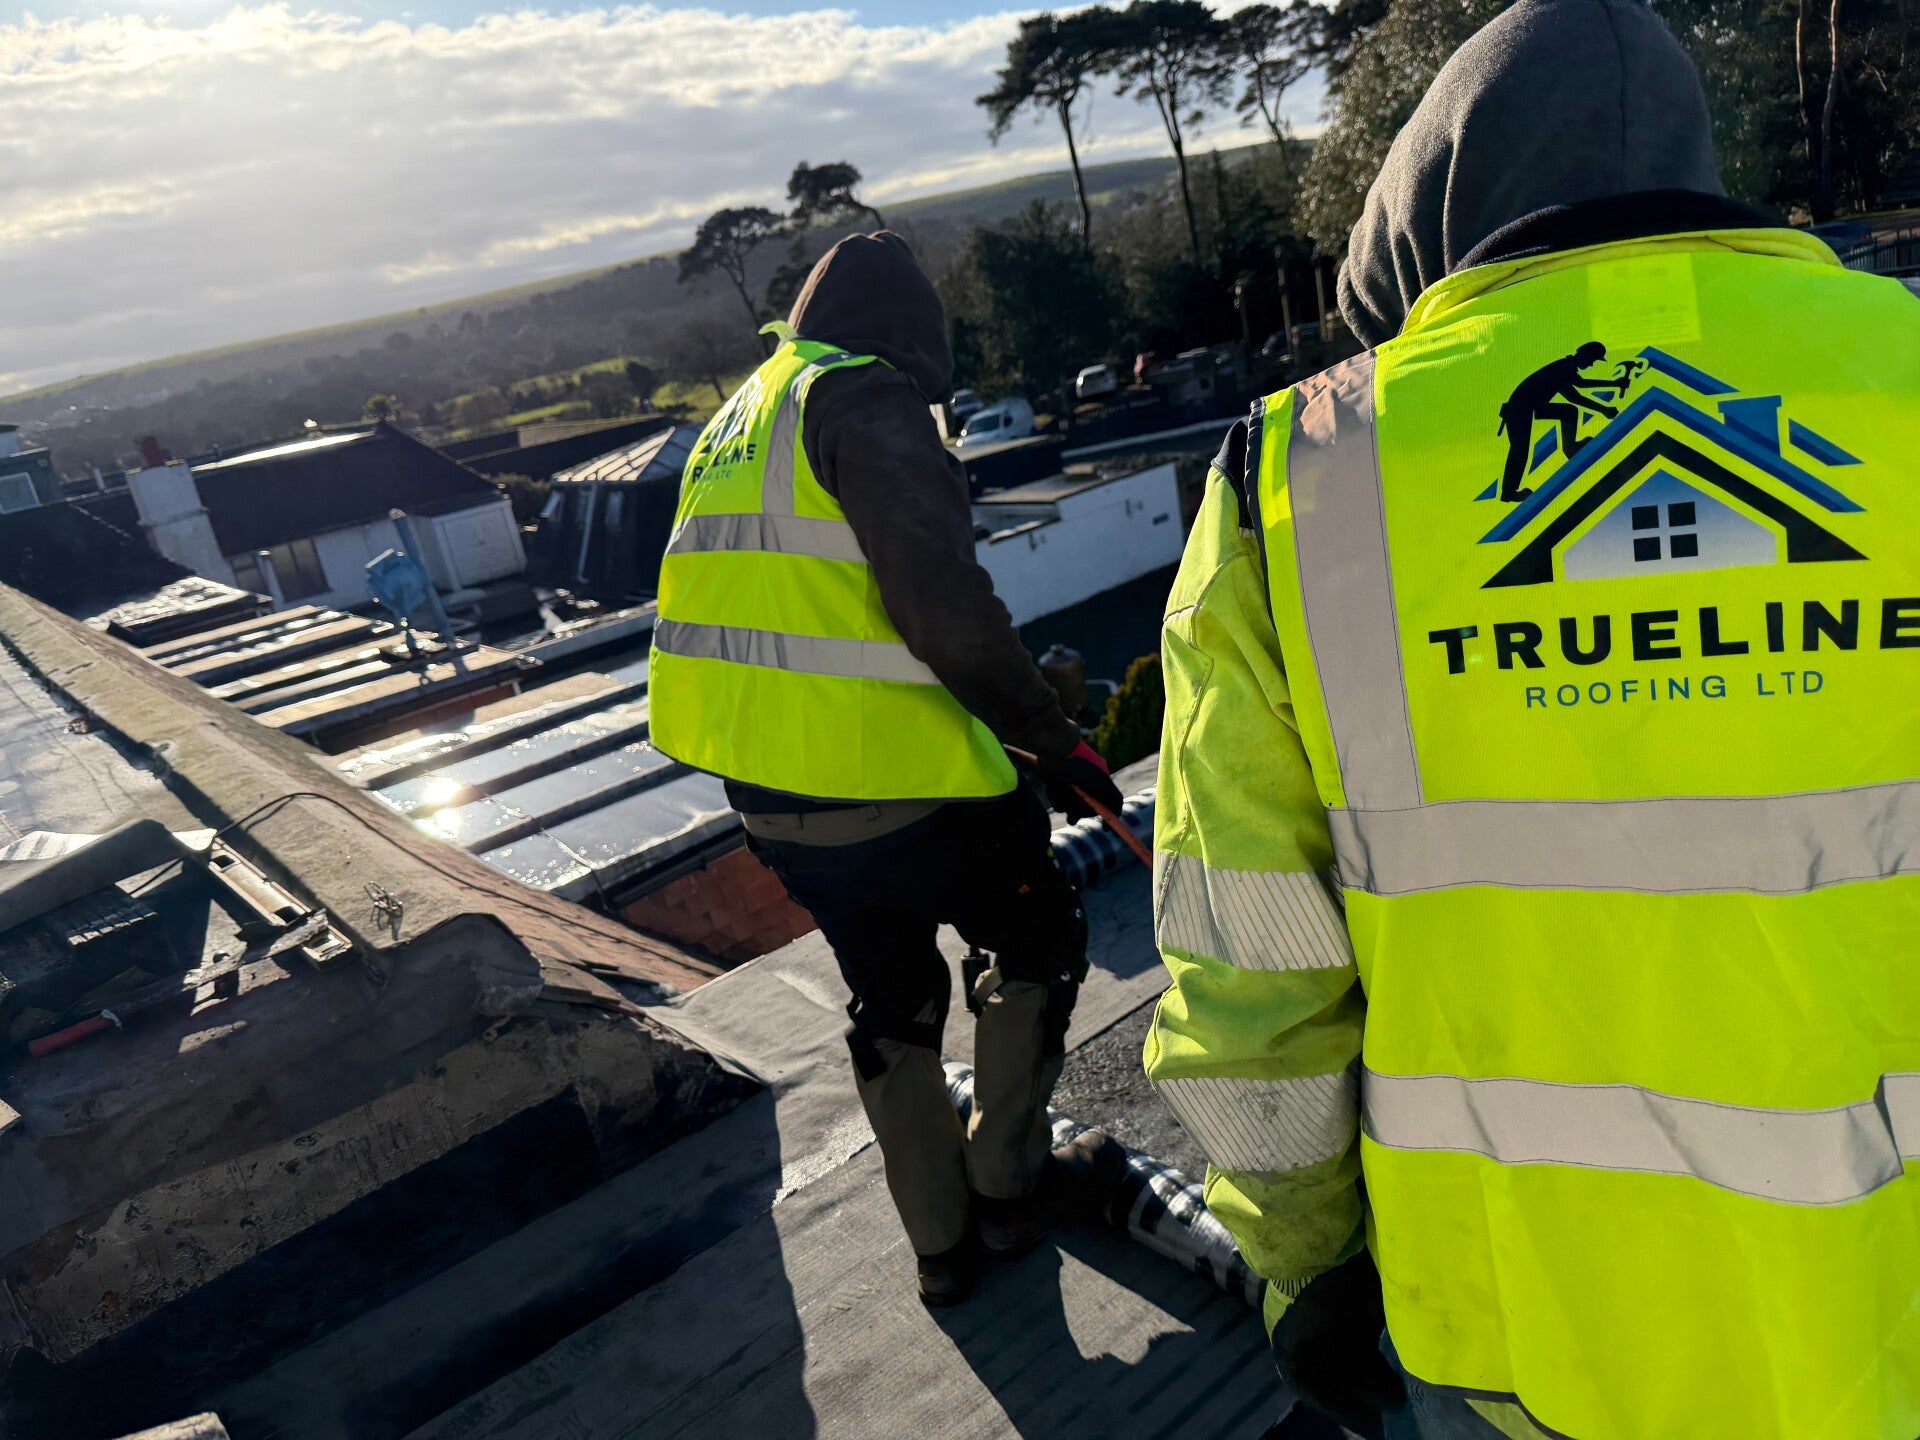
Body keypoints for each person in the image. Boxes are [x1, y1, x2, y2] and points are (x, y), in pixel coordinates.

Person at [1144, 1, 1919, 1437]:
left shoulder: (1296, 484)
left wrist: (1307, 1268)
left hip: (1527, 1349)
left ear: (1426, 210)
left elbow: (1249, 976)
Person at [649, 232, 1126, 1306]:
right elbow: (945, 612)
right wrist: (1056, 739)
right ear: (909, 348)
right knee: (1036, 936)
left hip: (774, 806)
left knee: (893, 999)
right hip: (910, 796)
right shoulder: (864, 397)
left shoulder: (742, 417)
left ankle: (941, 1251)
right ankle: (1009, 1188)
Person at [1493, 341, 1620, 500]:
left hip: (1533, 405)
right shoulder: (1562, 369)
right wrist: (1604, 409)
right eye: (1592, 360)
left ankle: (1570, 447)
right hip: (1519, 409)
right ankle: (1509, 492)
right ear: (1585, 356)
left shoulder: (1567, 366)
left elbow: (1582, 383)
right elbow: (1575, 397)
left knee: (1568, 412)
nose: (1592, 364)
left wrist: (1614, 384)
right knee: (1520, 450)